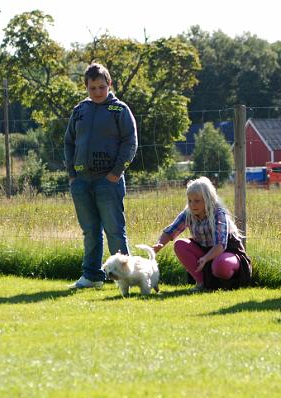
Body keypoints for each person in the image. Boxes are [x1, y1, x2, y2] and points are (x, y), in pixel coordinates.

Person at [65, 63, 138, 289]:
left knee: (115, 230)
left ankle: (125, 278)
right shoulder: (79, 111)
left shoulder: (120, 110)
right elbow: (68, 142)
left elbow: (130, 142)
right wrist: (72, 176)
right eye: (92, 88)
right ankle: (92, 276)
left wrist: (116, 173)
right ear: (86, 87)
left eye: (101, 87)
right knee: (90, 231)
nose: (97, 92)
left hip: (109, 181)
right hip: (81, 182)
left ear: (110, 85)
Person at [152, 177, 252, 291]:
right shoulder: (188, 213)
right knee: (179, 244)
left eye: (197, 201)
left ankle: (228, 285)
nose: (192, 204)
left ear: (208, 199)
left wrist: (206, 258)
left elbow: (220, 245)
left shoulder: (218, 214)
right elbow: (170, 232)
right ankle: (202, 284)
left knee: (221, 266)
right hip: (204, 251)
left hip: (226, 251)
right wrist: (159, 244)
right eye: (189, 200)